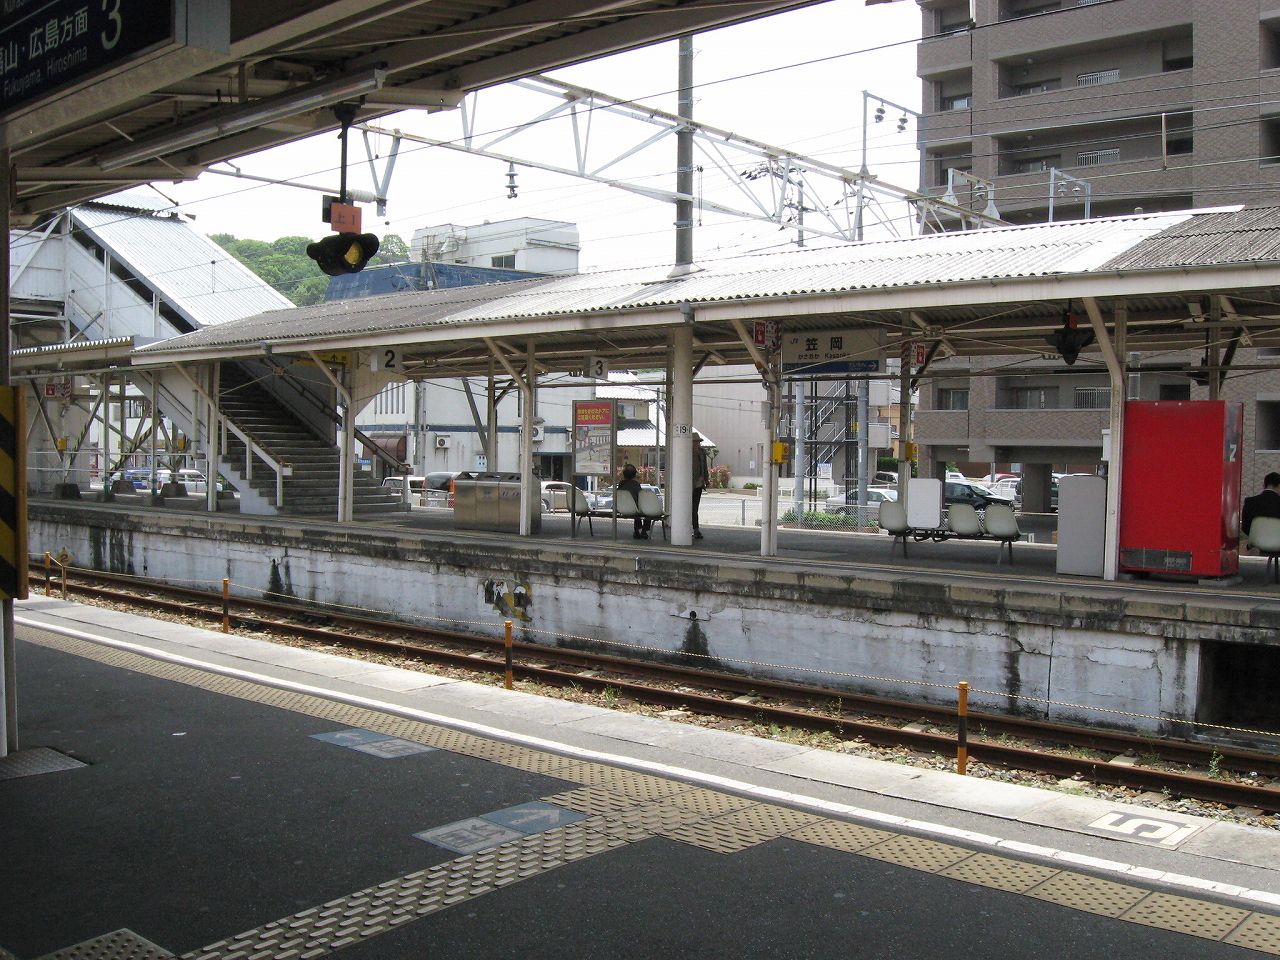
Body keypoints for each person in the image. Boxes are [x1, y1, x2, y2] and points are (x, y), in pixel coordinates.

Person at [1242, 472, 1280, 540]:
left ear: (1264, 485)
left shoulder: (1249, 501)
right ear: (1279, 486)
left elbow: (1245, 529)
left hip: (1256, 544)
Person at [618, 463, 651, 539]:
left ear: (624, 474)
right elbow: (640, 495)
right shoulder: (635, 484)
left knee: (636, 511)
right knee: (645, 511)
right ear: (634, 475)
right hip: (633, 509)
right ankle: (644, 531)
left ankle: (637, 531)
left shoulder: (621, 484)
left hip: (621, 508)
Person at [692, 431, 709, 539]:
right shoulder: (686, 452)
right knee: (689, 507)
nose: (697, 444)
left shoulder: (702, 452)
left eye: (698, 442)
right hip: (688, 484)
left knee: (695, 507)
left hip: (698, 483)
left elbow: (705, 467)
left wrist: (706, 479)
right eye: (695, 442)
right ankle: (693, 529)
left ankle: (696, 529)